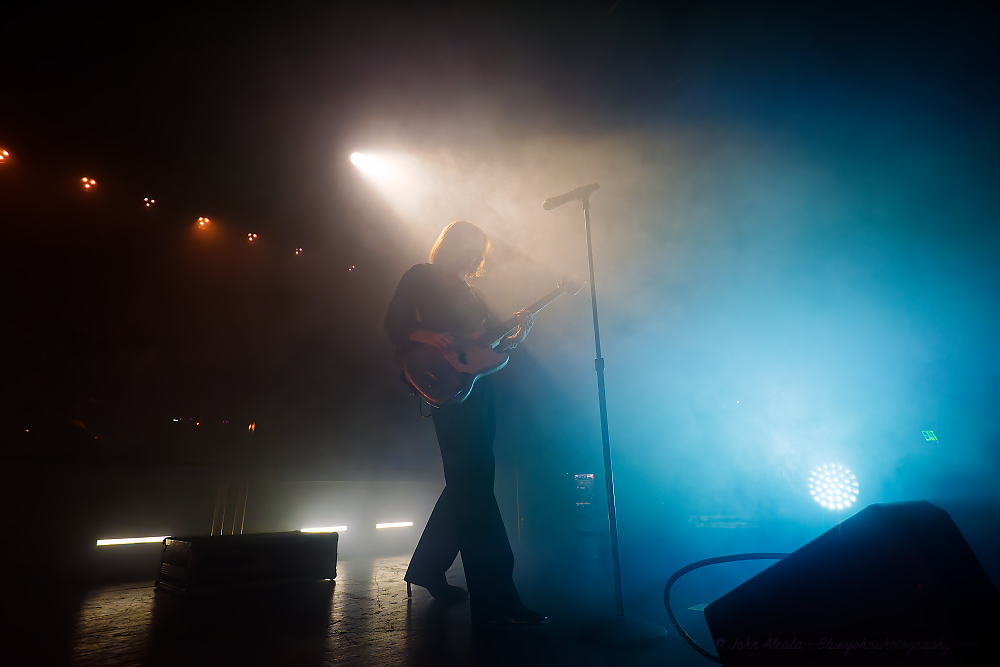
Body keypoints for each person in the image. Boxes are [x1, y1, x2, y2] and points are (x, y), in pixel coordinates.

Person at [384, 220, 548, 628]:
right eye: (470, 246)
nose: (476, 254)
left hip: (480, 390)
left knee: (468, 483)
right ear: (450, 244)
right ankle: (496, 598)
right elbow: (394, 322)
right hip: (446, 388)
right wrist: (424, 334)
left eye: (481, 249)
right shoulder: (421, 275)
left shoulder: (475, 294)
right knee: (474, 489)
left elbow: (491, 345)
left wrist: (516, 332)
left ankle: (426, 567)